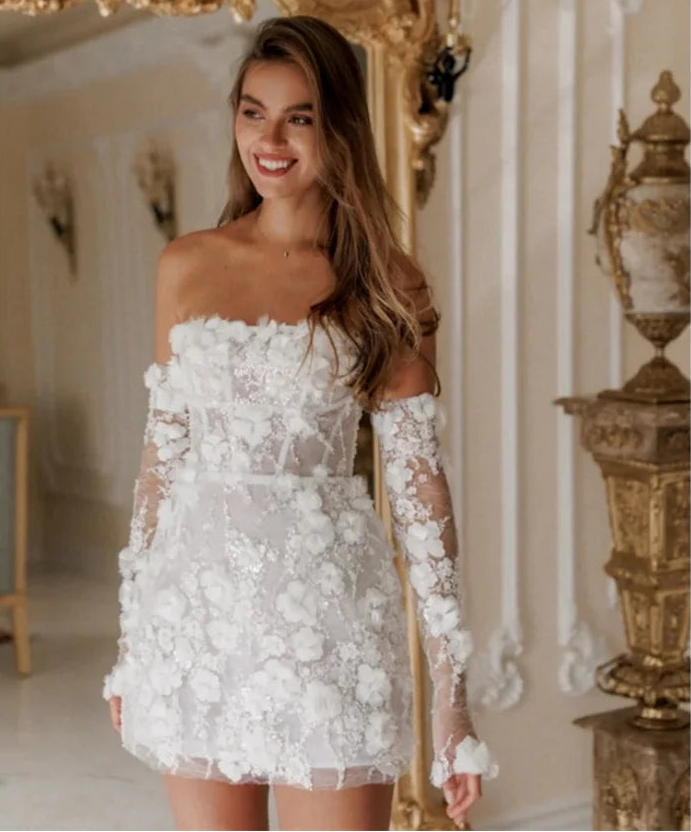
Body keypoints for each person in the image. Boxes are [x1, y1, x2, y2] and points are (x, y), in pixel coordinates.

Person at [103, 15, 498, 832]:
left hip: (328, 625)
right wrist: (132, 639)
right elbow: (160, 461)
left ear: (339, 130)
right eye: (253, 112)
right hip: (196, 623)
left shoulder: (386, 285)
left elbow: (422, 500)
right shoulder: (186, 265)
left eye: (298, 117)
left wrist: (452, 703)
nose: (269, 139)